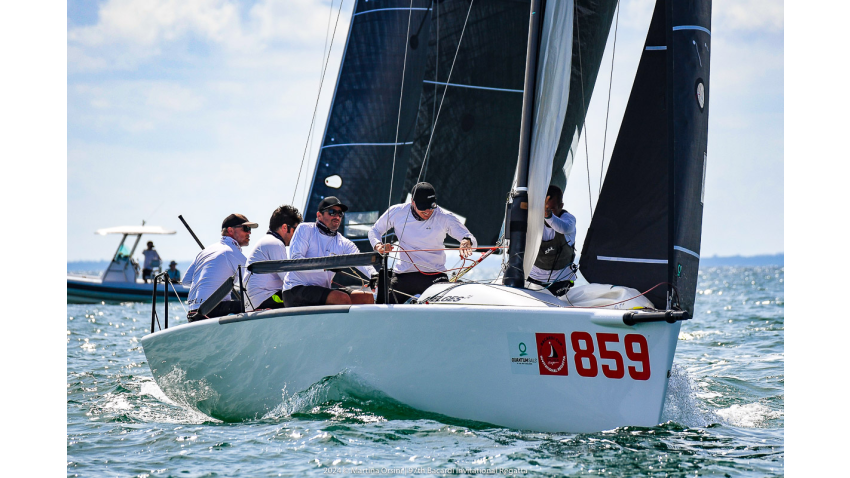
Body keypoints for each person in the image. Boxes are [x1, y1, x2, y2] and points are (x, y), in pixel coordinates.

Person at [368, 182, 476, 303]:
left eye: (430, 207)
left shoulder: (444, 217)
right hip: (404, 274)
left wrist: (466, 241)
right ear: (412, 202)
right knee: (384, 303)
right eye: (422, 207)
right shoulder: (397, 212)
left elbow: (470, 238)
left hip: (435, 274)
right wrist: (378, 245)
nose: (427, 211)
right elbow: (374, 231)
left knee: (444, 305)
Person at [282, 197, 376, 307]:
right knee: (342, 299)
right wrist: (325, 266)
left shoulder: (343, 242)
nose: (337, 216)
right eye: (332, 212)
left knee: (367, 298)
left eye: (340, 213)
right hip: (295, 290)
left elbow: (360, 260)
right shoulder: (305, 229)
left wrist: (375, 275)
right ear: (319, 215)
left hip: (322, 291)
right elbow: (295, 260)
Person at [182, 213, 258, 321]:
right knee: (259, 305)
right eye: (246, 228)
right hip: (213, 310)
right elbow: (256, 278)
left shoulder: (205, 251)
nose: (249, 232)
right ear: (231, 230)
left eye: (250, 229)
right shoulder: (231, 251)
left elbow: (186, 281)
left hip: (192, 312)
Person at [244, 205, 303, 311]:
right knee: (306, 298)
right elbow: (288, 279)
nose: (298, 236)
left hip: (256, 301)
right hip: (264, 299)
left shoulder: (268, 241)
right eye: (296, 230)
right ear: (285, 227)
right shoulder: (275, 243)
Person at [527, 185, 577, 296]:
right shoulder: (532, 219)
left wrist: (548, 215)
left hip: (561, 281)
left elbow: (563, 228)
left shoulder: (569, 220)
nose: (544, 211)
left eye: (551, 208)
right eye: (542, 208)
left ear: (561, 206)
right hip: (532, 279)